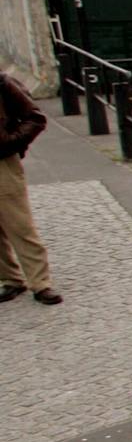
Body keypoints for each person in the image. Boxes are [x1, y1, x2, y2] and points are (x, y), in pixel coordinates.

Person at [0, 69, 59, 305]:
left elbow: (35, 118)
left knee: (19, 224)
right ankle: (11, 279)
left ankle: (40, 283)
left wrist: (11, 143)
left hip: (2, 163)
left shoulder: (2, 83)